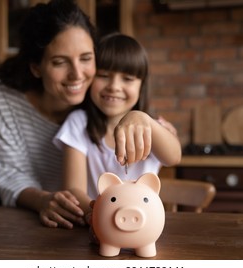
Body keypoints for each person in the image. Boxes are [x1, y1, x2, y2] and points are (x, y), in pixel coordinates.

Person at [0, 0, 97, 229]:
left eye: (85, 58)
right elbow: (9, 174)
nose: (77, 74)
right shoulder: (1, 97)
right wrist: (43, 200)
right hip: (25, 222)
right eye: (60, 62)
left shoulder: (101, 94)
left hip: (89, 223)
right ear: (36, 67)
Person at [53, 33, 182, 216]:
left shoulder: (151, 127)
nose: (114, 86)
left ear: (141, 85)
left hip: (144, 224)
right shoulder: (79, 123)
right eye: (104, 75)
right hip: (95, 221)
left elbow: (174, 157)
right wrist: (99, 216)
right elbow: (73, 190)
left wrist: (144, 119)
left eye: (127, 79)